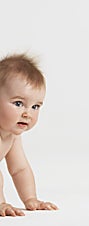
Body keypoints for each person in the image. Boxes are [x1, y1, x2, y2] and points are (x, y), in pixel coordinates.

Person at [0, 54, 58, 216]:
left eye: (35, 106)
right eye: (18, 103)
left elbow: (20, 169)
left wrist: (30, 199)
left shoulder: (12, 136)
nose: (27, 113)